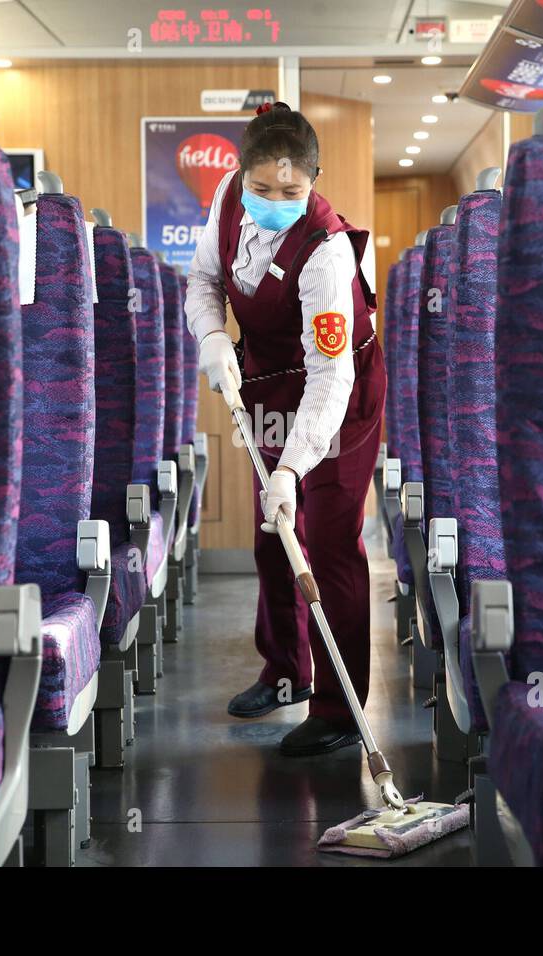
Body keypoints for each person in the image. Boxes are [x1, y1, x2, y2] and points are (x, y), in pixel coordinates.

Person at [185, 101, 387, 757]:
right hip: (269, 383)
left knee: (327, 544)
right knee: (274, 533)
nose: (272, 200)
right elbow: (204, 279)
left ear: (314, 181)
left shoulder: (326, 253)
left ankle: (339, 708)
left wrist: (295, 468)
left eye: (290, 191)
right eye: (261, 189)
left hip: (337, 393)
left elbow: (331, 379)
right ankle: (285, 673)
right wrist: (214, 337)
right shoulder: (229, 195)